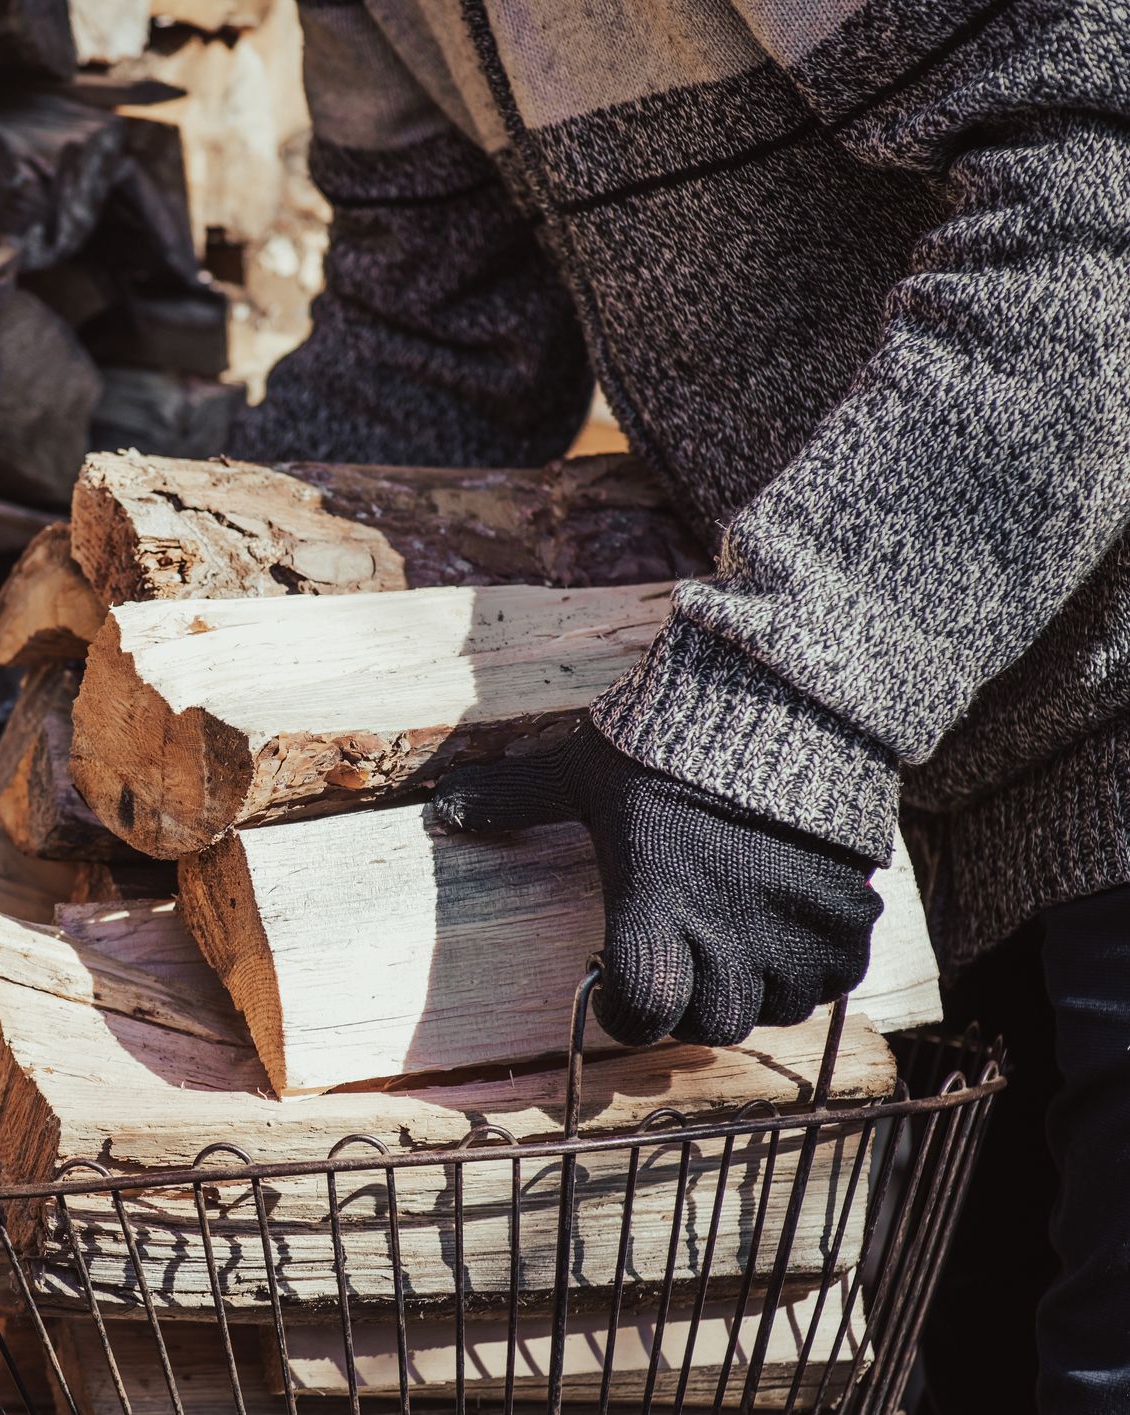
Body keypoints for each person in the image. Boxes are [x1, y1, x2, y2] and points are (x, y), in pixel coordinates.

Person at [230, 4, 1130, 1411]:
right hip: (980, 788)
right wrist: (187, 658)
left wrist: (780, 699)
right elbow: (432, 337)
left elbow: (1109, 190)